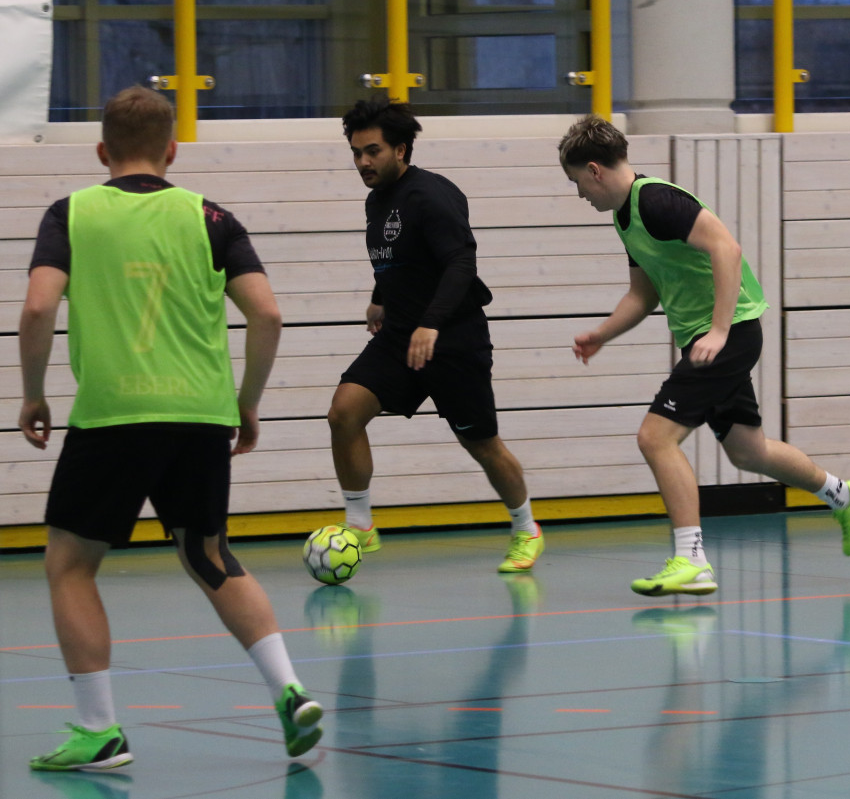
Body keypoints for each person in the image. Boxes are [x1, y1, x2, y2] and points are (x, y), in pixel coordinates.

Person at [18, 86, 323, 770]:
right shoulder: (212, 217)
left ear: (102, 151)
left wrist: (33, 394)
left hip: (114, 417)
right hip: (201, 416)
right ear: (172, 152)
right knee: (209, 555)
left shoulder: (71, 213)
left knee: (70, 564)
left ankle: (99, 730)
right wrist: (246, 404)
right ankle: (289, 689)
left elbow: (38, 308)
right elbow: (267, 314)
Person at [558, 115, 850, 597]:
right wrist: (602, 334)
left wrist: (720, 330)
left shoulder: (657, 200)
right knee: (748, 451)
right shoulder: (626, 217)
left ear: (595, 170)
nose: (580, 193)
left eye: (577, 181)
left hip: (730, 334)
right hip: (709, 339)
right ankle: (842, 494)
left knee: (655, 438)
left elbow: (727, 248)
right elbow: (643, 294)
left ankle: (692, 560)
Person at [328, 97, 543, 572]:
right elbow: (400, 259)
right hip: (399, 338)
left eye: (372, 151)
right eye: (356, 152)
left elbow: (460, 262)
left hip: (453, 340)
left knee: (481, 444)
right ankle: (361, 525)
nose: (363, 162)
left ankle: (526, 528)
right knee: (344, 413)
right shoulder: (376, 200)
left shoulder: (432, 195)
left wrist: (432, 323)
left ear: (400, 150)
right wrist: (380, 297)